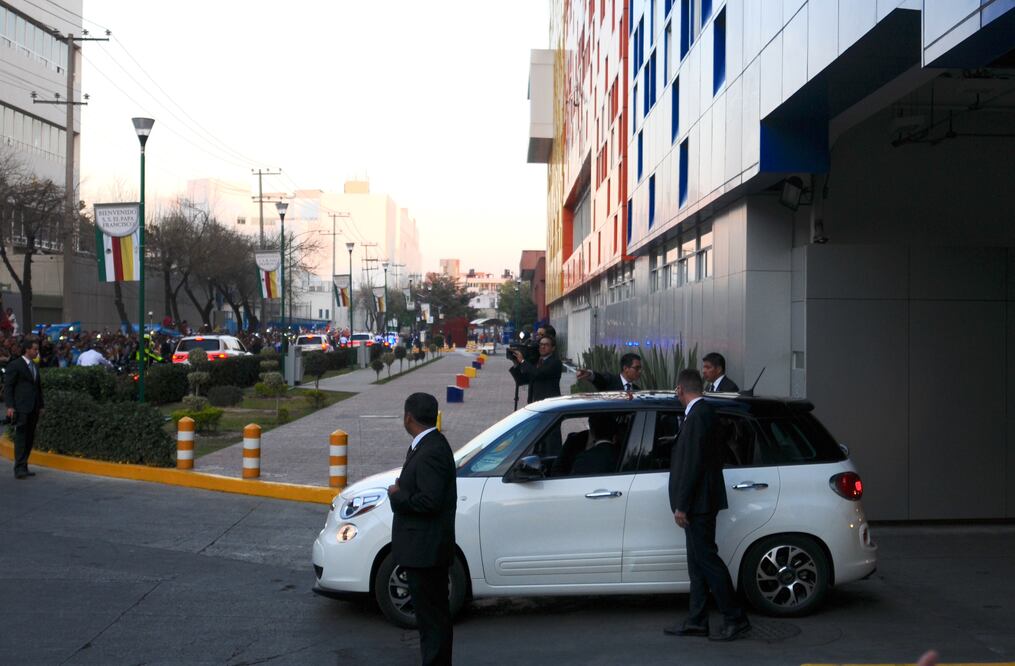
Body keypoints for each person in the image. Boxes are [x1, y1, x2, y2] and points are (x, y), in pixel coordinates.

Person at [665, 369, 749, 641]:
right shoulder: (702, 414)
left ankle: (735, 618)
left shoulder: (698, 416)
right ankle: (697, 620)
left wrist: (682, 505)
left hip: (698, 504)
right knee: (697, 564)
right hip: (700, 502)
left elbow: (693, 464)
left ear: (680, 389)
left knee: (708, 561)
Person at [387, 393, 457, 665]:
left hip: (426, 553)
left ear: (408, 417)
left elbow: (430, 501)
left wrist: (397, 494)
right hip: (424, 551)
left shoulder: (431, 451)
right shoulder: (425, 445)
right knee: (431, 620)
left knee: (432, 622)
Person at [4, 337, 44, 480]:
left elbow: (38, 388)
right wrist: (10, 406)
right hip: (21, 407)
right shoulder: (15, 365)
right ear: (27, 349)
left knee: (29, 437)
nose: (36, 351)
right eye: (34, 349)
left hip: (33, 407)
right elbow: (8, 387)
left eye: (37, 349)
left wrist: (41, 406)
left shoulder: (34, 366)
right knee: (21, 438)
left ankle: (24, 465)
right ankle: (19, 468)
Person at [509, 336, 562, 404]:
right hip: (535, 401)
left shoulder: (555, 362)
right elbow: (522, 380)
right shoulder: (536, 361)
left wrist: (522, 361)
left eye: (546, 345)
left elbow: (538, 374)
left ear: (553, 348)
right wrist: (516, 363)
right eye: (541, 344)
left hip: (550, 403)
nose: (542, 347)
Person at [576, 352, 643, 391]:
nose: (639, 371)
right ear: (625, 368)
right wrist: (590, 374)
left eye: (640, 368)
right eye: (637, 368)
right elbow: (600, 379)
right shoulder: (610, 381)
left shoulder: (636, 390)